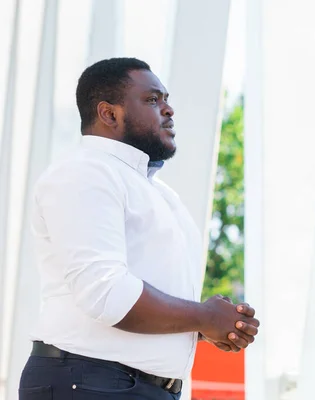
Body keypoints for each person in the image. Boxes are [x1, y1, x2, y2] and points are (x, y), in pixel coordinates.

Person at [18, 58, 259, 400]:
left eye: (166, 98)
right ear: (109, 113)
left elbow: (144, 292)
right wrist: (203, 316)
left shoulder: (154, 190)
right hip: (92, 382)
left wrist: (207, 326)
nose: (169, 109)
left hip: (126, 386)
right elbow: (107, 294)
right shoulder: (85, 173)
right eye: (152, 100)